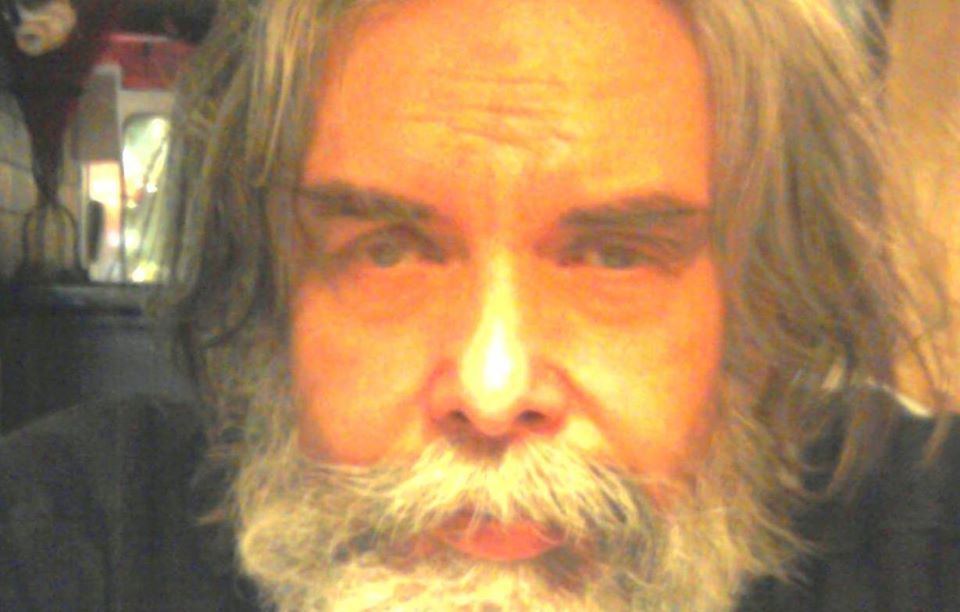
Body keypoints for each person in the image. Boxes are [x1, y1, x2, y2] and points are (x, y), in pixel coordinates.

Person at [1, 0, 958, 610]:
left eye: (615, 258)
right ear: (268, 291)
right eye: (388, 251)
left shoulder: (919, 544)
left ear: (757, 309)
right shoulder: (69, 536)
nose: (493, 391)